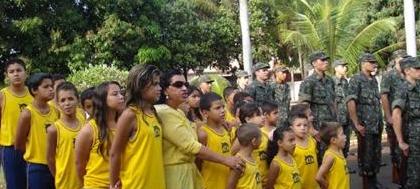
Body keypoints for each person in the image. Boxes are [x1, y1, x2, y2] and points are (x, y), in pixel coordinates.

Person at [155, 69, 243, 189]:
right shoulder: (164, 112)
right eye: (178, 85)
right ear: (165, 90)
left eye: (185, 84)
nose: (185, 88)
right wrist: (226, 160)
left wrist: (219, 122)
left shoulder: (178, 112)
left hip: (188, 172)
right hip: (177, 174)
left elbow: (191, 128)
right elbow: (191, 146)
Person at [109, 65, 165, 189]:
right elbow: (114, 153)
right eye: (154, 84)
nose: (159, 88)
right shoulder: (130, 115)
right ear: (140, 86)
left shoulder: (153, 112)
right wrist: (113, 184)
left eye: (159, 84)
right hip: (136, 184)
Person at [75, 81, 125, 188]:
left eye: (121, 93)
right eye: (115, 94)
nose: (121, 97)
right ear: (103, 99)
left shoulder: (125, 124)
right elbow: (79, 164)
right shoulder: (89, 130)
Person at [15, 73, 59, 189]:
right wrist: (35, 153)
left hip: (56, 164)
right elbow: (19, 144)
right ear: (34, 90)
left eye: (51, 86)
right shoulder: (27, 114)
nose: (51, 89)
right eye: (46, 87)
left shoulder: (56, 112)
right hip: (37, 168)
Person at [346, 53, 383, 188]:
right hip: (365, 125)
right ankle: (367, 184)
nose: (374, 64)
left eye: (375, 62)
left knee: (375, 155)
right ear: (363, 63)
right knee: (365, 157)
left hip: (376, 124)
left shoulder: (373, 80)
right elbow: (351, 101)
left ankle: (374, 180)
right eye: (371, 62)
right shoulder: (356, 79)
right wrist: (356, 123)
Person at [0, 58, 32, 189]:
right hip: (10, 148)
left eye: (19, 70)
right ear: (7, 75)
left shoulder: (34, 93)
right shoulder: (3, 95)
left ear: (26, 73)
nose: (16, 74)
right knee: (15, 185)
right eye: (11, 71)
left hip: (32, 147)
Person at [46, 82, 83, 189]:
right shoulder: (54, 129)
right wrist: (58, 176)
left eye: (70, 99)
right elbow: (50, 159)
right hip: (65, 183)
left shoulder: (84, 123)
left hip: (86, 181)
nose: (67, 103)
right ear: (57, 104)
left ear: (77, 100)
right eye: (62, 100)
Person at [392, 56, 420, 188]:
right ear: (407, 71)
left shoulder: (418, 87)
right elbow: (396, 115)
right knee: (413, 177)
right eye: (417, 68)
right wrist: (401, 142)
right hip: (413, 140)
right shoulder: (402, 89)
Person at [380, 49, 407, 185]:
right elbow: (384, 96)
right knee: (396, 150)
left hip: (407, 118)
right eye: (401, 59)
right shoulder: (389, 76)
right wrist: (388, 116)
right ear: (396, 60)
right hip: (395, 118)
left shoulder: (408, 73)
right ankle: (399, 179)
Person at [197, 92, 232, 189]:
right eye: (217, 108)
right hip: (210, 184)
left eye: (223, 107)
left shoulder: (226, 130)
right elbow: (198, 163)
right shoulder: (203, 134)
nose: (223, 111)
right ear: (205, 113)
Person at [298, 51, 336, 132]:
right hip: (318, 125)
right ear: (314, 63)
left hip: (331, 123)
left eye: (326, 60)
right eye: (322, 60)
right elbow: (304, 106)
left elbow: (333, 102)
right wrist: (311, 128)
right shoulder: (308, 82)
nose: (326, 62)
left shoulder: (330, 80)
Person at [226, 124, 263, 189]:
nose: (261, 140)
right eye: (260, 138)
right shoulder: (239, 163)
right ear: (254, 141)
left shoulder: (252, 158)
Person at [316, 122, 350, 189]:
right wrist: (327, 186)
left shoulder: (339, 150)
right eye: (342, 134)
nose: (345, 136)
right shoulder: (330, 157)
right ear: (333, 140)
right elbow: (318, 177)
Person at [289, 113, 319, 189]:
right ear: (292, 128)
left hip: (314, 185)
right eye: (298, 125)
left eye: (305, 125)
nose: (302, 128)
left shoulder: (312, 141)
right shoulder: (291, 146)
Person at [332, 59, 351, 157]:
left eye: (345, 66)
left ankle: (345, 166)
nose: (345, 68)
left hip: (347, 118)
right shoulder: (331, 82)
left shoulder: (345, 82)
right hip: (337, 119)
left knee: (346, 143)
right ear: (336, 68)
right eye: (342, 66)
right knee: (337, 144)